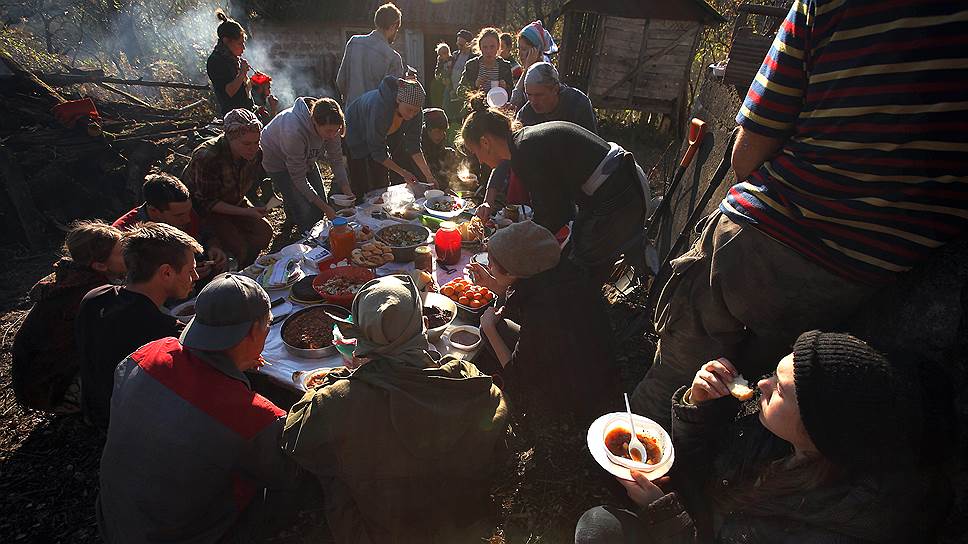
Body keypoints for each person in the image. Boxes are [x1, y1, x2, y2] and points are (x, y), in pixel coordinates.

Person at [630, 0, 968, 430]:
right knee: (754, 391)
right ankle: (694, 473)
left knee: (683, 368)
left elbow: (748, 151)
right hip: (861, 277)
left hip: (763, 236)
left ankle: (630, 457)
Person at [576, 331, 954, 544]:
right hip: (702, 520)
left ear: (819, 431)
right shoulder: (781, 437)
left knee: (600, 531)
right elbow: (702, 472)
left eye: (780, 389)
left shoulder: (839, 525)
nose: (760, 384)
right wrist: (701, 408)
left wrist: (664, 514)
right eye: (774, 372)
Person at [282, 275, 509, 543]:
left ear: (358, 337)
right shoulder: (467, 380)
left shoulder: (338, 401)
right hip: (462, 523)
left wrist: (339, 378)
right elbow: (499, 438)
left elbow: (295, 439)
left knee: (334, 476)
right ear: (424, 325)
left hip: (382, 531)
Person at [98, 273, 301, 543]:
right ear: (253, 332)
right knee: (298, 484)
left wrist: (235, 363)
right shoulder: (251, 416)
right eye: (266, 327)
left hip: (116, 519)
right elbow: (284, 472)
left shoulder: (147, 354)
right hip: (186, 535)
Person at [463, 110, 653, 281]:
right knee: (575, 247)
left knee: (579, 268)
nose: (479, 160)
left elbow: (553, 218)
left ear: (485, 142)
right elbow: (558, 210)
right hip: (620, 182)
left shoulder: (526, 151)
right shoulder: (523, 142)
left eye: (475, 153)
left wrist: (510, 240)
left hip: (619, 195)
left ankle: (588, 314)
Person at [470, 221, 619, 420]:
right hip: (589, 361)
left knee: (494, 328)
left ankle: (538, 406)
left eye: (491, 263)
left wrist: (488, 328)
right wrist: (494, 285)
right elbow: (522, 298)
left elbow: (518, 375)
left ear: (513, 272)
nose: (488, 267)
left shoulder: (543, 311)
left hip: (574, 391)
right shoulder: (558, 274)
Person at [76, 222, 202, 430]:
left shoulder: (95, 298)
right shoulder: (166, 334)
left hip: (97, 412)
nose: (195, 277)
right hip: (135, 428)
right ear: (166, 273)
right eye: (191, 270)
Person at [12, 221, 125, 413]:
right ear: (99, 265)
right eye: (123, 253)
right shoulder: (89, 293)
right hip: (51, 386)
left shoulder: (73, 275)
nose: (131, 256)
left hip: (41, 380)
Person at [182, 108, 273, 268]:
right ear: (230, 138)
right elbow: (207, 203)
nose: (253, 148)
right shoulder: (208, 157)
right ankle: (238, 268)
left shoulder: (256, 153)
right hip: (207, 210)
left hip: (234, 200)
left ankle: (250, 265)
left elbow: (247, 185)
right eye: (246, 143)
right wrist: (246, 212)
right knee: (238, 247)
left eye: (256, 142)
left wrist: (256, 206)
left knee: (264, 233)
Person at [261, 97, 353, 231]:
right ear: (314, 121)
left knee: (319, 203)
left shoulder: (332, 124)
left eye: (336, 130)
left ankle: (292, 210)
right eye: (328, 131)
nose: (333, 136)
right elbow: (299, 178)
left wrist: (348, 192)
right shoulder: (293, 130)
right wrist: (327, 209)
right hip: (275, 159)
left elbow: (336, 161)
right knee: (304, 210)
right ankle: (304, 231)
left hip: (305, 158)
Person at [113, 173, 227, 277]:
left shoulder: (185, 211)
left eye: (189, 211)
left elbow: (206, 233)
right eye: (178, 215)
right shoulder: (123, 233)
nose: (187, 219)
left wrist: (214, 247)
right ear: (153, 210)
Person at [344, 76, 437, 196]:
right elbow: (378, 152)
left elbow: (414, 146)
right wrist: (404, 173)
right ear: (398, 100)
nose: (412, 115)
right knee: (361, 182)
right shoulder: (381, 109)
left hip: (379, 135)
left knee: (381, 182)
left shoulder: (416, 115)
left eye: (416, 111)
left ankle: (380, 208)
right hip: (355, 131)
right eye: (409, 110)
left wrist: (429, 177)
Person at [336, 2, 405, 106]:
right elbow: (393, 95)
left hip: (351, 112)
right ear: (393, 25)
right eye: (397, 29)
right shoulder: (393, 58)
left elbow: (340, 81)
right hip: (375, 116)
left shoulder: (354, 42)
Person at [516, 62, 597, 133]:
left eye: (539, 95)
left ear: (555, 89)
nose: (533, 101)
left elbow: (592, 146)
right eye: (529, 95)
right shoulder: (526, 114)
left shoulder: (578, 105)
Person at [207, 10, 253, 116]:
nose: (243, 48)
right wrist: (242, 73)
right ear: (226, 41)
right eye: (240, 43)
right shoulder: (216, 61)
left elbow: (244, 92)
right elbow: (229, 92)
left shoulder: (233, 59)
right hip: (234, 118)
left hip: (246, 114)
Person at [458, 28, 514, 107]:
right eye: (485, 47)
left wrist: (505, 88)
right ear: (480, 47)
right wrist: (475, 85)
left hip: (498, 110)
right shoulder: (472, 65)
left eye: (492, 47)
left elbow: (513, 93)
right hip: (477, 110)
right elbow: (460, 91)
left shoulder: (505, 66)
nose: (488, 51)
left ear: (498, 46)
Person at [510, 21, 558, 110]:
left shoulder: (544, 73)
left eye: (524, 49)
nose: (519, 54)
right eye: (518, 49)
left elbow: (515, 103)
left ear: (536, 50)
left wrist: (527, 69)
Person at [421, 108, 460, 189]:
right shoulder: (419, 148)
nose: (441, 135)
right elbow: (430, 170)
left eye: (444, 131)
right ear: (428, 130)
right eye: (437, 131)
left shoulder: (440, 141)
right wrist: (444, 188)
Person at [448, 29, 475, 118]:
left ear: (468, 44)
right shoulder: (455, 55)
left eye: (461, 44)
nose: (458, 46)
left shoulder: (474, 58)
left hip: (465, 96)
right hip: (452, 93)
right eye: (457, 43)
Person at [430, 42, 453, 109]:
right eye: (439, 54)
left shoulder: (452, 59)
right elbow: (437, 70)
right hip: (443, 81)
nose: (441, 56)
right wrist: (438, 76)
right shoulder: (440, 60)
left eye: (442, 54)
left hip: (452, 82)